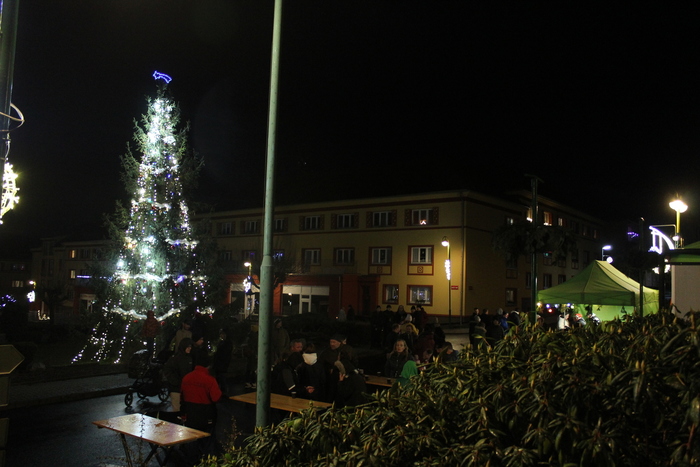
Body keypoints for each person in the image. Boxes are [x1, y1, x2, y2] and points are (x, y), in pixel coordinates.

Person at [180, 352, 222, 460]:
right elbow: (216, 398)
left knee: (192, 440)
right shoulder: (210, 380)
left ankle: (192, 460)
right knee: (208, 441)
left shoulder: (186, 378)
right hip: (206, 415)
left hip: (190, 414)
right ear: (209, 365)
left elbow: (182, 397)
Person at [163, 337, 193, 413]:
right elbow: (167, 370)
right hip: (176, 389)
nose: (189, 349)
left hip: (184, 388)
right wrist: (175, 382)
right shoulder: (176, 358)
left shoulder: (188, 358)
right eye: (188, 347)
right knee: (177, 410)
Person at [212, 328, 233, 392]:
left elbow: (223, 353)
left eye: (222, 334)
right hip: (220, 363)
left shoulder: (226, 343)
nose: (221, 335)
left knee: (221, 378)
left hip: (222, 363)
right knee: (220, 378)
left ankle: (223, 391)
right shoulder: (223, 342)